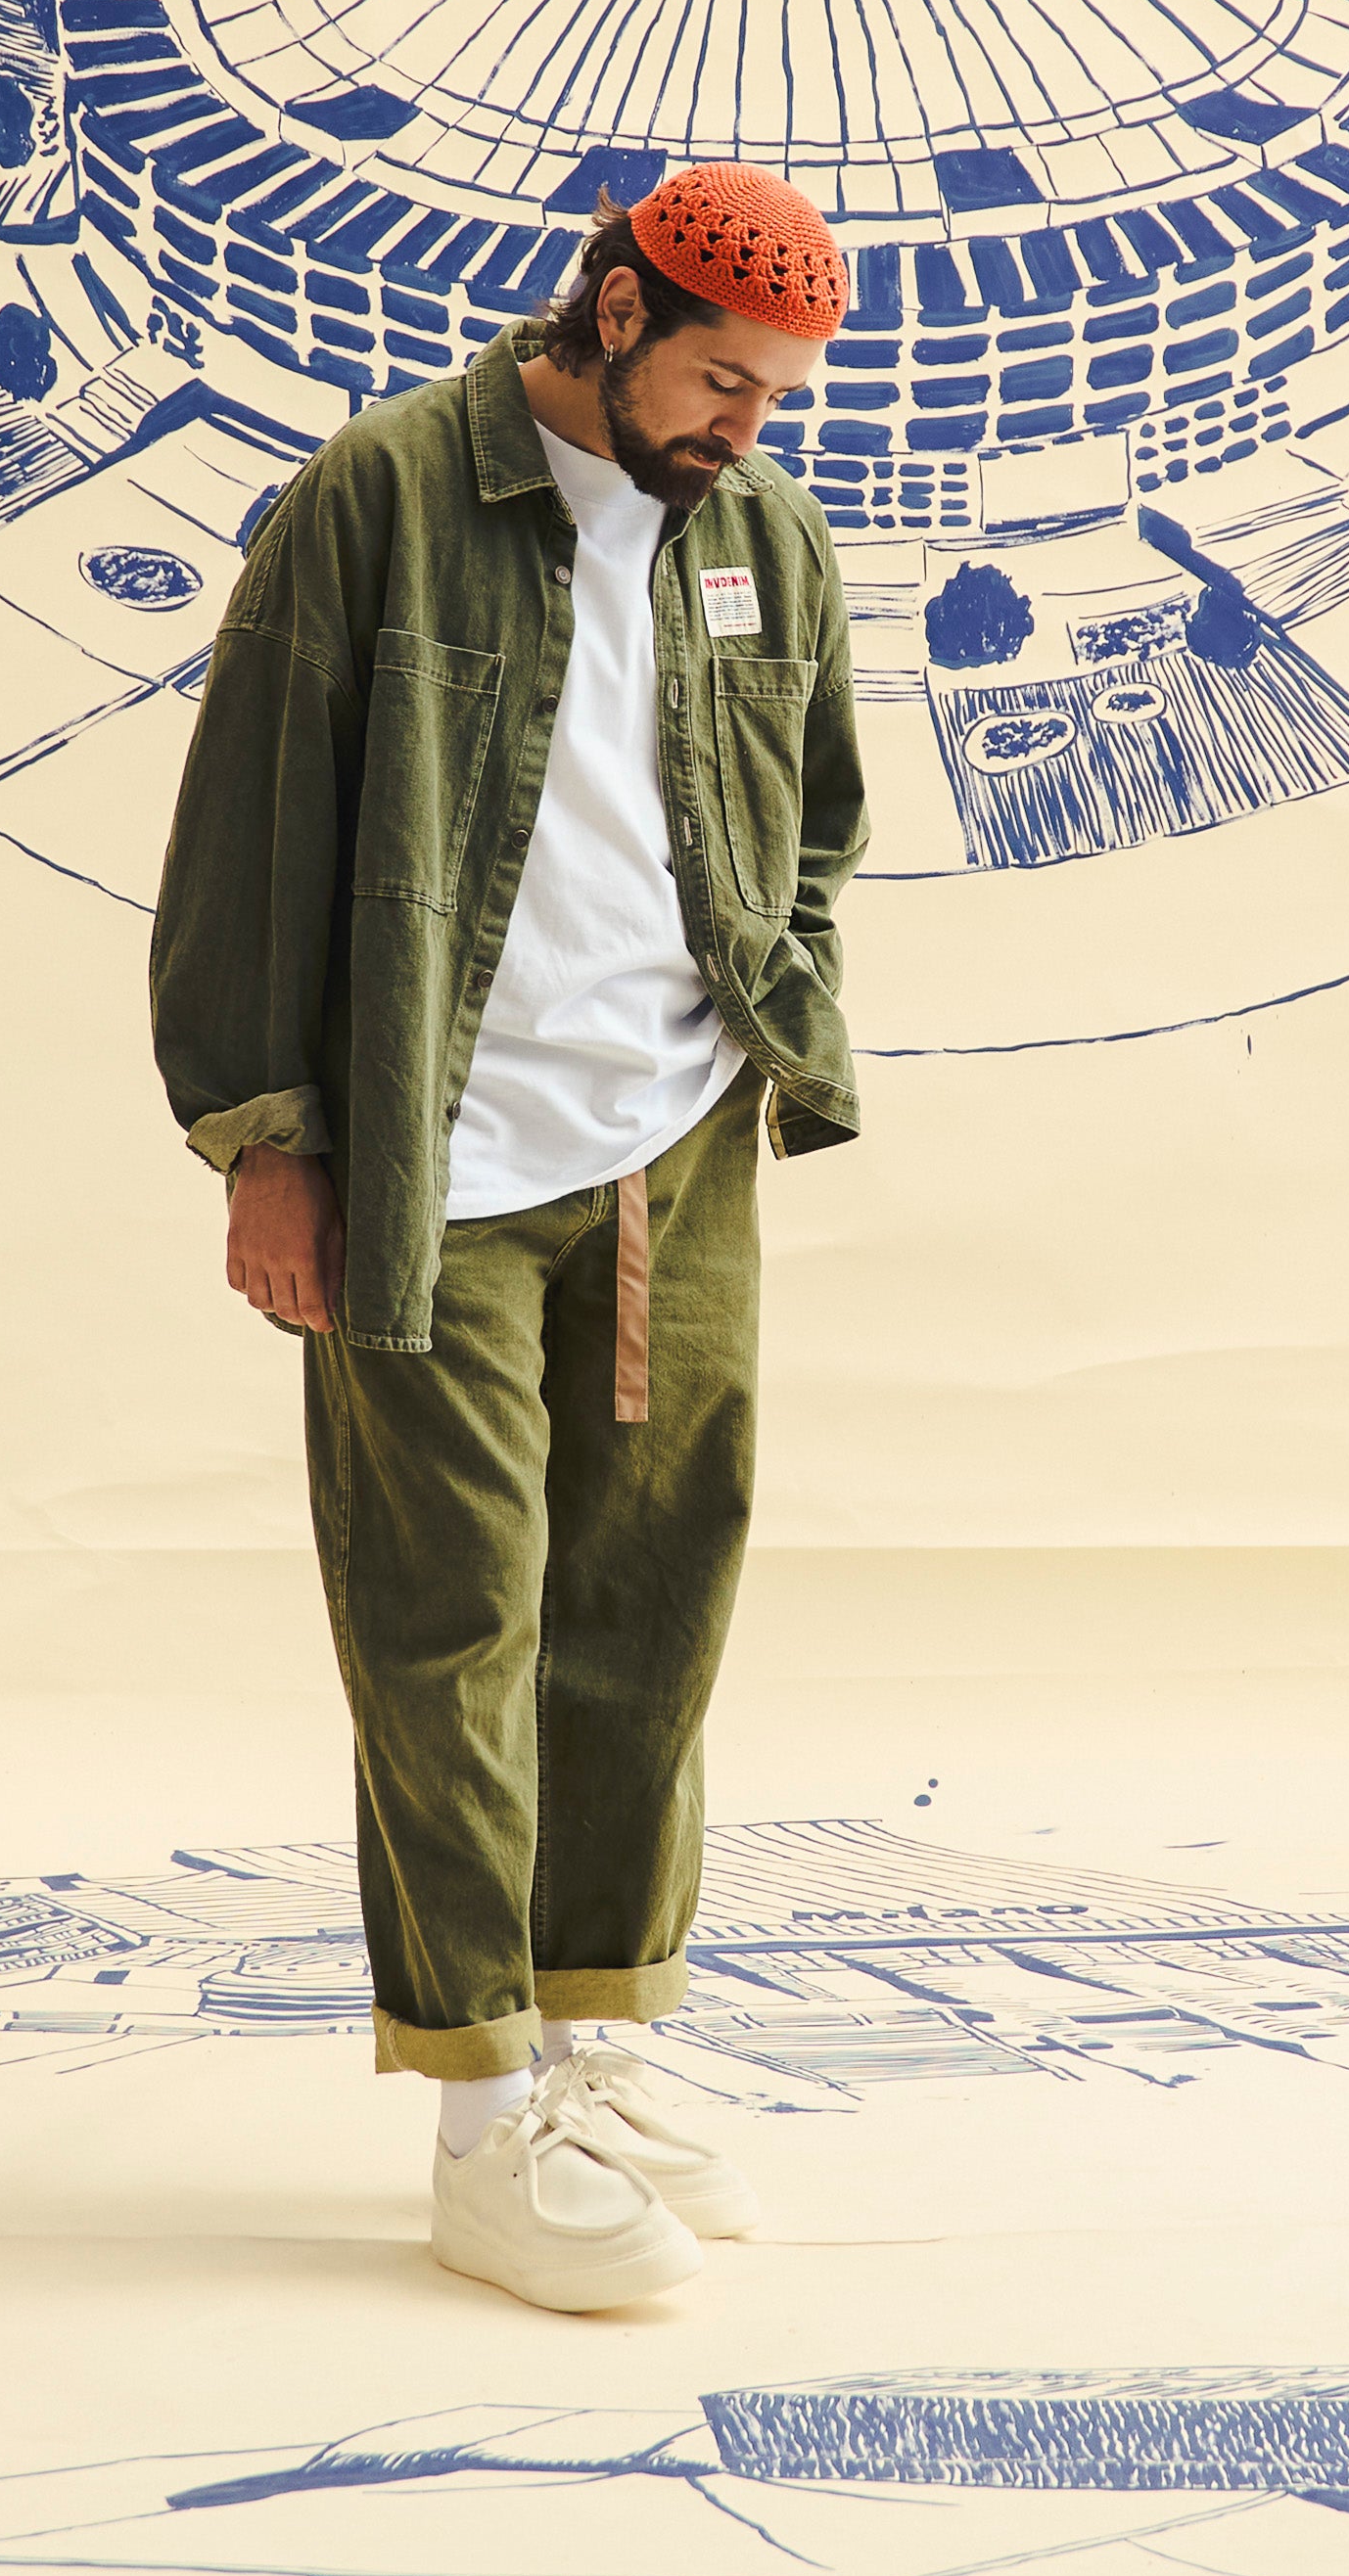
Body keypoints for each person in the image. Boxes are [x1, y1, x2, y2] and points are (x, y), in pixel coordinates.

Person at [151, 164, 864, 2313]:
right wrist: (266, 1142)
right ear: (616, 309)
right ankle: (478, 2121)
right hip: (432, 1154)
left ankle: (598, 2040)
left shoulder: (756, 532)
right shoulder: (378, 497)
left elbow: (815, 820)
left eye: (779, 394)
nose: (748, 424)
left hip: (674, 1145)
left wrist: (773, 1010)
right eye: (723, 379)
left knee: (651, 1595)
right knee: (452, 1614)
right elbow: (245, 834)